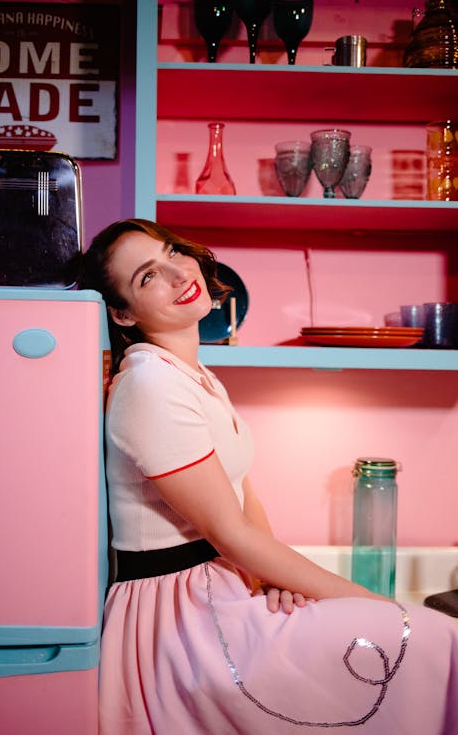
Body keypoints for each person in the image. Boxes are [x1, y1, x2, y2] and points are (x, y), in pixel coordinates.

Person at [81, 218, 458, 735]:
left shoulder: (190, 374)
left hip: (220, 585)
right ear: (122, 313)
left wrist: (274, 578)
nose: (175, 273)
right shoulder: (150, 385)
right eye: (147, 277)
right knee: (427, 637)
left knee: (425, 640)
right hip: (182, 620)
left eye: (171, 253)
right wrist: (375, 603)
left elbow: (244, 500)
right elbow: (231, 532)